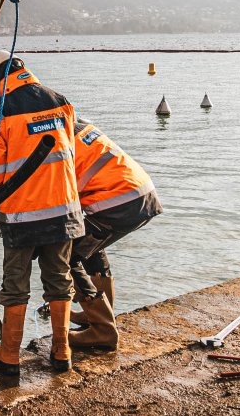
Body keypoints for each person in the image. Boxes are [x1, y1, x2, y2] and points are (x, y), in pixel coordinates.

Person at [0, 50, 83, 375]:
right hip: (64, 209)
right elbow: (71, 153)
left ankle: (9, 354)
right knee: (59, 280)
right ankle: (62, 351)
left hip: (22, 216)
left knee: (15, 285)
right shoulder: (61, 101)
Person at [66, 117, 162, 350]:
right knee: (91, 247)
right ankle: (97, 315)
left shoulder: (60, 140)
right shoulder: (80, 126)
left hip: (120, 203)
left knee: (67, 256)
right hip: (142, 194)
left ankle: (103, 330)